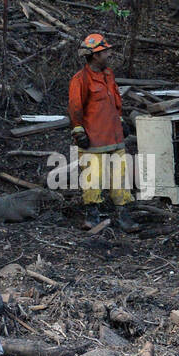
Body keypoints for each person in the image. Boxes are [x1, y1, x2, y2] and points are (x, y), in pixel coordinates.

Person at [68, 32, 138, 231]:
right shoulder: (80, 80)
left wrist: (121, 120)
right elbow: (75, 108)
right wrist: (79, 132)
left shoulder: (108, 75)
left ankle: (124, 216)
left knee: (121, 177)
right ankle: (92, 216)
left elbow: (115, 102)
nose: (109, 53)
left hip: (114, 137)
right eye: (105, 51)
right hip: (93, 140)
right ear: (95, 55)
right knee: (92, 179)